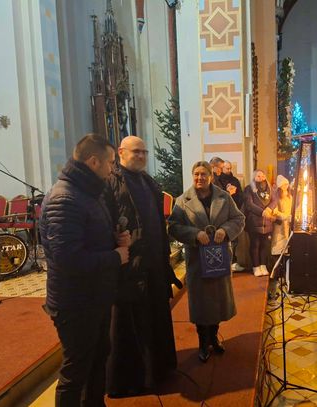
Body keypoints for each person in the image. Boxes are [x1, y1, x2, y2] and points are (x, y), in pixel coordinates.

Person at [40, 134, 130, 406]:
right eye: (110, 163)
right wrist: (115, 257)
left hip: (94, 297)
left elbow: (90, 238)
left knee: (98, 357)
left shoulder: (88, 192)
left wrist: (115, 239)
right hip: (75, 303)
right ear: (93, 162)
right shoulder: (64, 199)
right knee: (76, 371)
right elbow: (68, 260)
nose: (113, 169)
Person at [104, 135, 181, 397]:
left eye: (144, 152)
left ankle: (158, 370)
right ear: (120, 152)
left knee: (154, 317)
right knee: (128, 326)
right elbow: (104, 222)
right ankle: (129, 381)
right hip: (128, 266)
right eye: (135, 151)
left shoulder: (148, 181)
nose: (140, 156)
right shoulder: (111, 183)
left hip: (154, 262)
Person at [168, 161, 245, 363]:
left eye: (203, 174)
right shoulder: (182, 201)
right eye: (196, 174)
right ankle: (203, 342)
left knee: (218, 301)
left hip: (219, 259)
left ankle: (214, 337)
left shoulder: (224, 197)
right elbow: (173, 226)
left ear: (211, 176)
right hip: (197, 260)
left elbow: (239, 219)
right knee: (201, 303)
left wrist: (225, 230)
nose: (199, 178)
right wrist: (194, 234)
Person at [243, 169, 278, 276]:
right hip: (254, 221)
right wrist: (262, 212)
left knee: (265, 244)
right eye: (258, 176)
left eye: (262, 176)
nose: (261, 178)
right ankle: (256, 266)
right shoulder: (249, 188)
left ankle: (263, 265)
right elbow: (249, 204)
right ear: (254, 177)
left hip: (267, 222)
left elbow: (275, 200)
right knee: (255, 244)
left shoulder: (270, 188)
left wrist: (269, 209)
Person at [218, 160, 245, 271]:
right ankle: (224, 263)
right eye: (227, 168)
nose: (229, 170)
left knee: (234, 238)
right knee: (223, 239)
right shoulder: (218, 180)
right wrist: (228, 193)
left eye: (230, 168)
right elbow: (218, 197)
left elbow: (241, 195)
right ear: (222, 168)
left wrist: (237, 205)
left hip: (233, 212)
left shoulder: (235, 180)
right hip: (222, 213)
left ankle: (233, 262)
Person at [271, 174, 292, 259]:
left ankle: (283, 260)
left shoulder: (289, 196)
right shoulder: (276, 197)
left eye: (286, 184)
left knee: (285, 244)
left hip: (287, 224)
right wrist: (285, 216)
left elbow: (291, 208)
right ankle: (276, 261)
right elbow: (275, 211)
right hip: (279, 224)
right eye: (283, 184)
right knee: (277, 243)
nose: (285, 186)